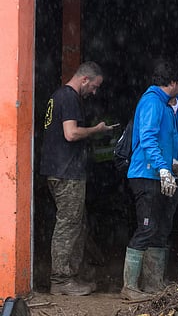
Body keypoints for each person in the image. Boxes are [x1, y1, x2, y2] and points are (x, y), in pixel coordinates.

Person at [121, 58, 178, 300]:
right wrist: (163, 168)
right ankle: (129, 287)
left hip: (169, 176)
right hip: (146, 174)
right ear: (175, 82)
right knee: (147, 227)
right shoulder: (152, 102)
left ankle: (153, 283)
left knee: (162, 228)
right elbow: (148, 138)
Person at [40, 61, 116, 296]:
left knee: (75, 223)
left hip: (56, 169)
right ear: (84, 80)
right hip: (67, 172)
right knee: (68, 225)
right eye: (94, 86)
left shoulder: (57, 97)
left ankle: (71, 275)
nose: (94, 92)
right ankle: (61, 280)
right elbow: (71, 133)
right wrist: (97, 130)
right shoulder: (70, 98)